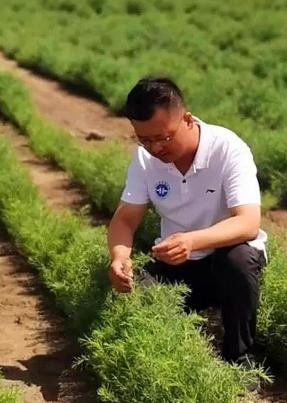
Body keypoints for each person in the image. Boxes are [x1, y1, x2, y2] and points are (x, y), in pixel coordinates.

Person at [106, 76, 268, 365]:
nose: (155, 149)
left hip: (225, 262)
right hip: (178, 265)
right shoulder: (144, 159)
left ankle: (239, 359)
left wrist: (192, 241)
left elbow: (248, 223)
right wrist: (119, 258)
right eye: (144, 139)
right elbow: (124, 220)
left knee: (238, 260)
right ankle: (178, 359)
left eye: (163, 137)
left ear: (188, 120)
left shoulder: (228, 149)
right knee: (136, 299)